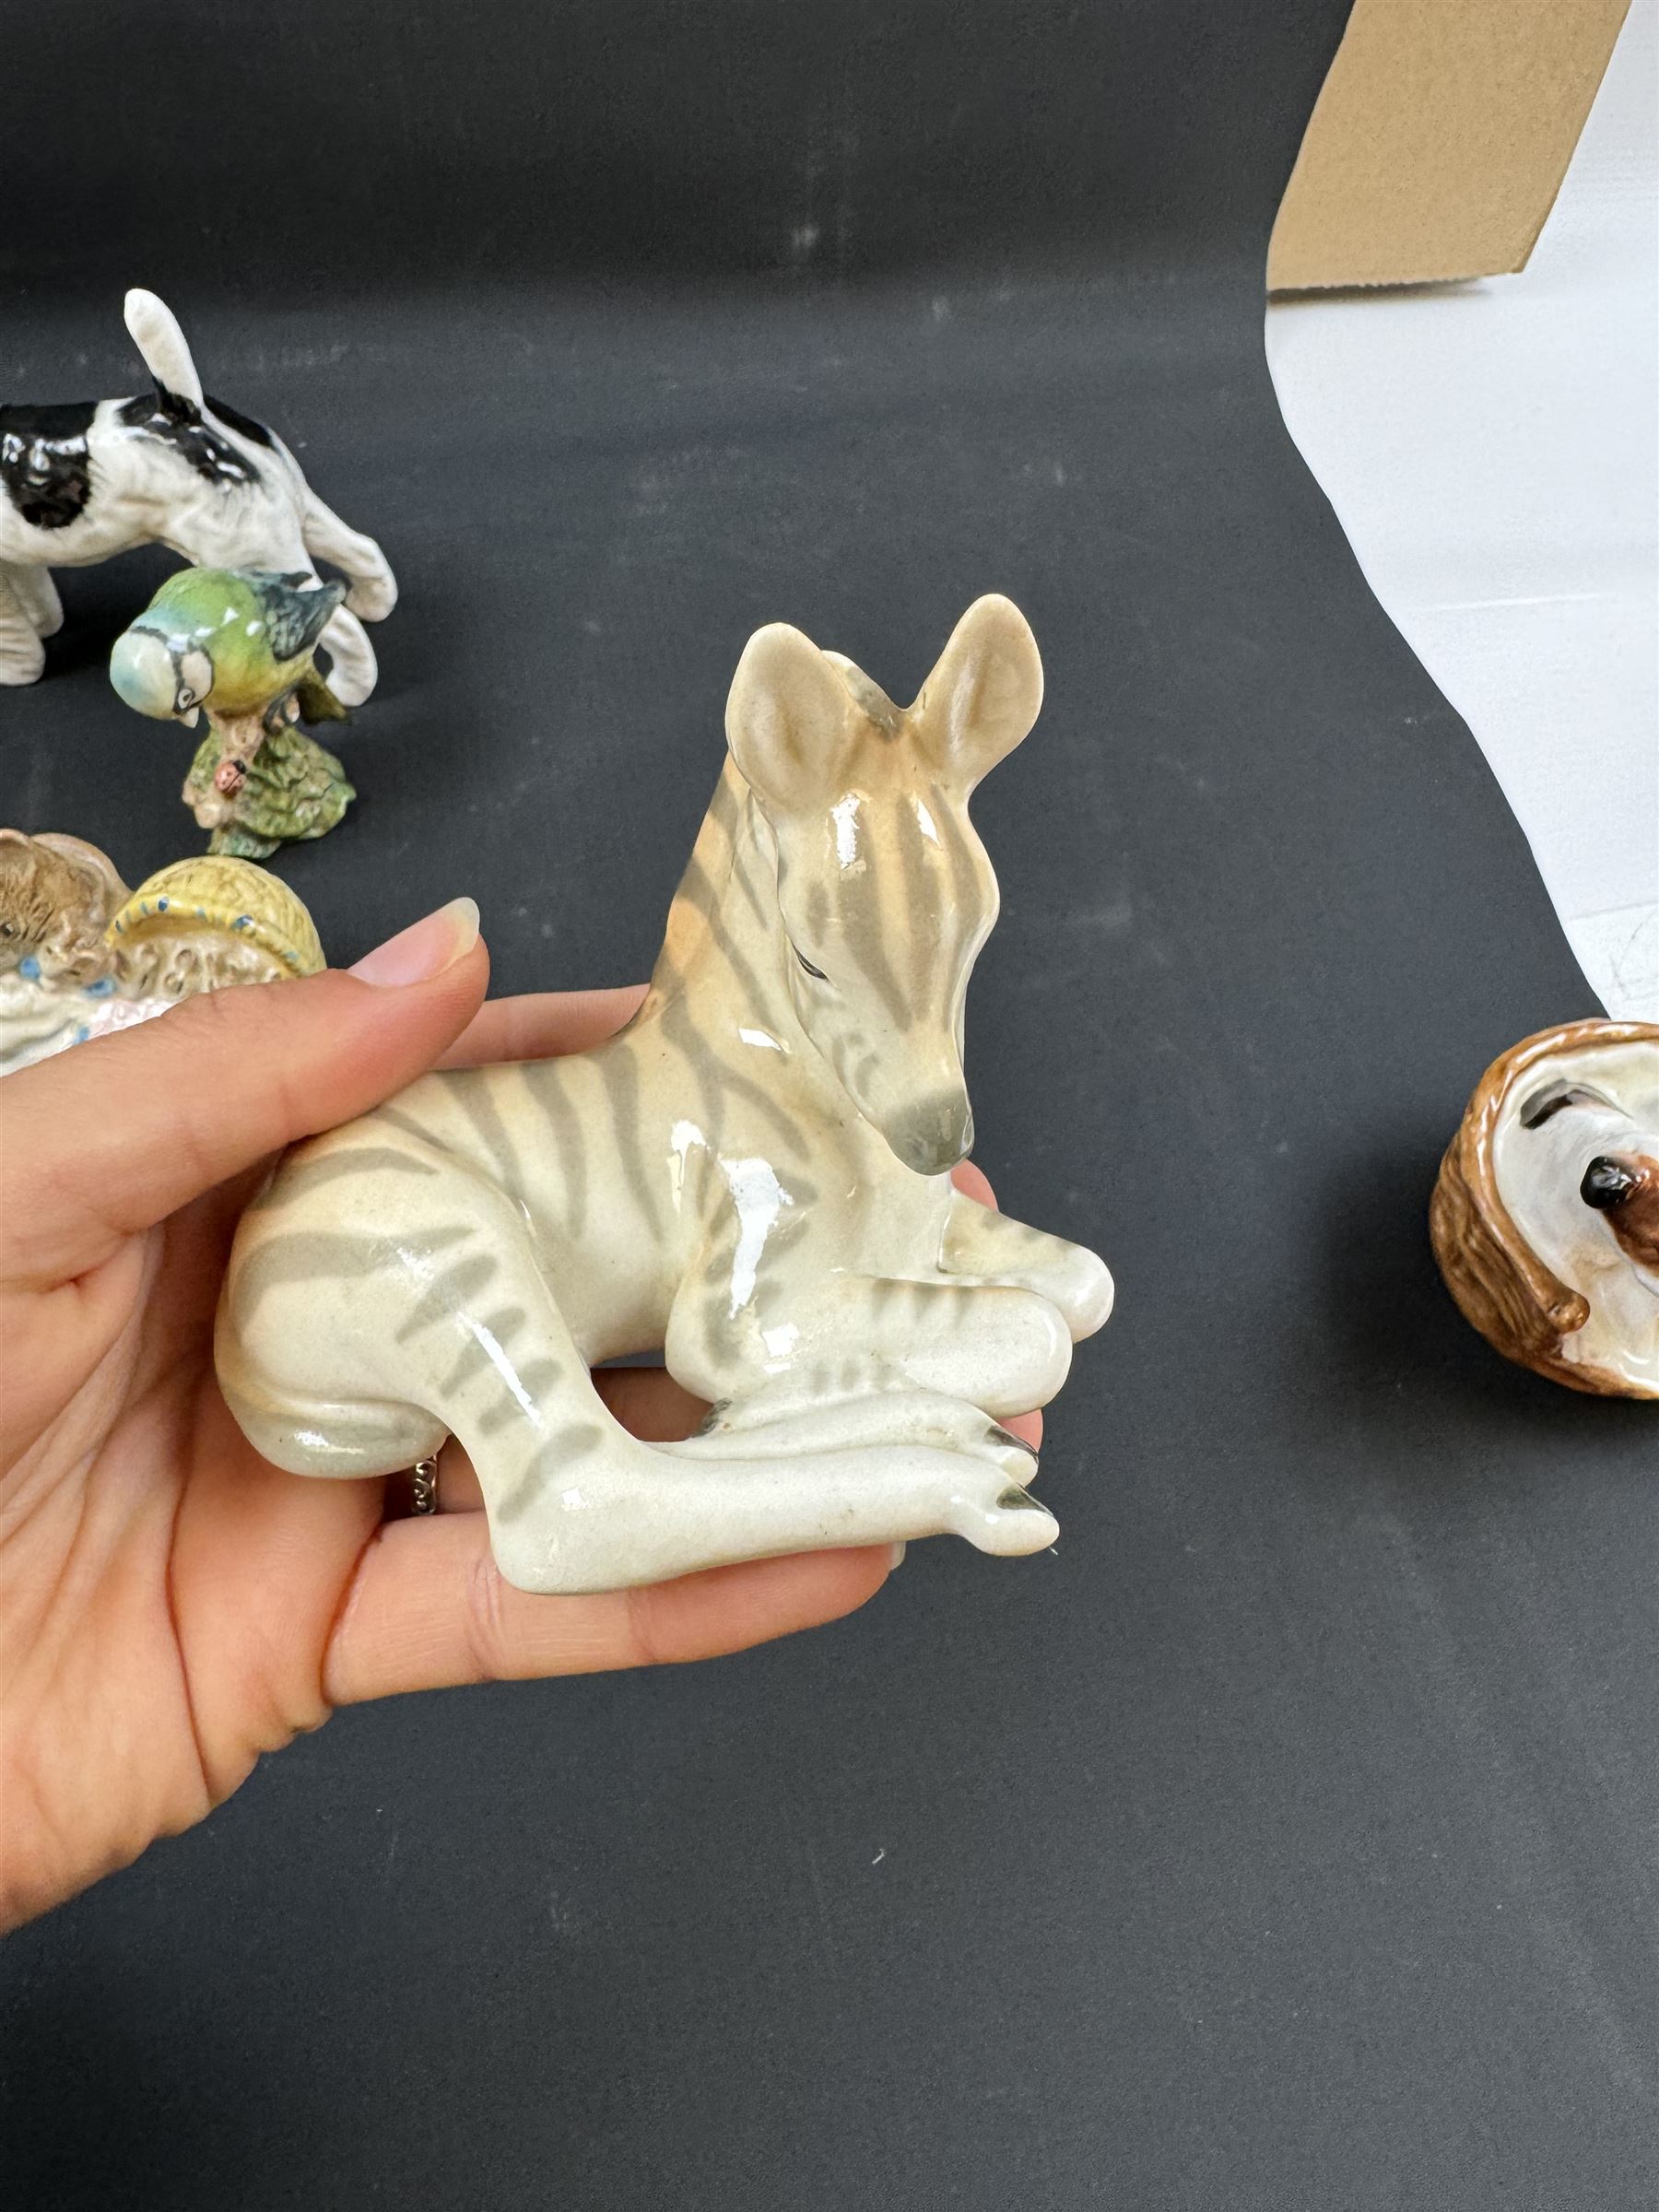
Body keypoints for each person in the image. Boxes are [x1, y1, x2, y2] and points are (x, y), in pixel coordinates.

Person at [0, 899, 1038, 1928]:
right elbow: (731, 1341)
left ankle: (800, 1458)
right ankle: (632, 1485)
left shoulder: (767, 1091)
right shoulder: (719, 1101)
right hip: (332, 1264)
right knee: (431, 1259)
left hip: (332, 1366)